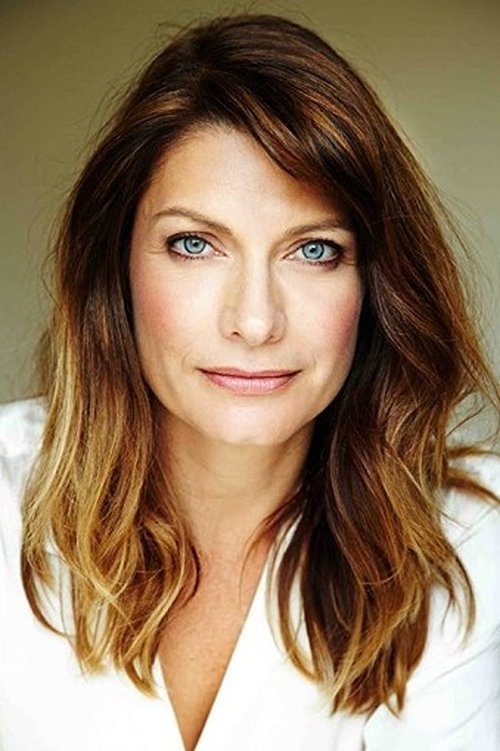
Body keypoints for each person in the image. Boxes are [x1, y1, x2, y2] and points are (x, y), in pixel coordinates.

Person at [0, 13, 499, 751]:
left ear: (376, 283)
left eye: (314, 250)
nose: (256, 321)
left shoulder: (466, 539)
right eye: (195, 244)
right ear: (116, 267)